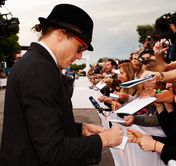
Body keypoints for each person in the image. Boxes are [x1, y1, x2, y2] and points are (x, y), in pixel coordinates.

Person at [0, 4, 123, 166]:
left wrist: (79, 129)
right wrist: (103, 140)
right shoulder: (40, 69)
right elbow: (52, 152)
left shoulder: (35, 62)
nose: (80, 56)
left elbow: (37, 125)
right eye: (80, 48)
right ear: (60, 33)